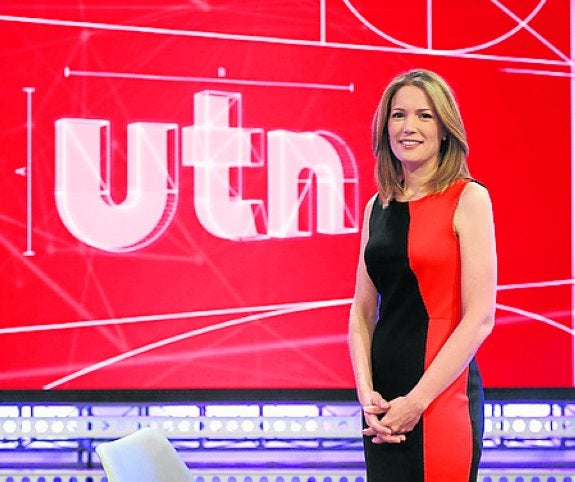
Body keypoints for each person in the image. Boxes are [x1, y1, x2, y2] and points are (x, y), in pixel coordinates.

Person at [348, 69, 497, 482]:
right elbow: (362, 312)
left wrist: (416, 402)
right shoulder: (377, 206)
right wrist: (366, 394)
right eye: (398, 115)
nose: (408, 127)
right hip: (382, 406)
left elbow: (480, 317)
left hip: (441, 399)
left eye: (424, 115)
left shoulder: (468, 198)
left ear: (445, 129)